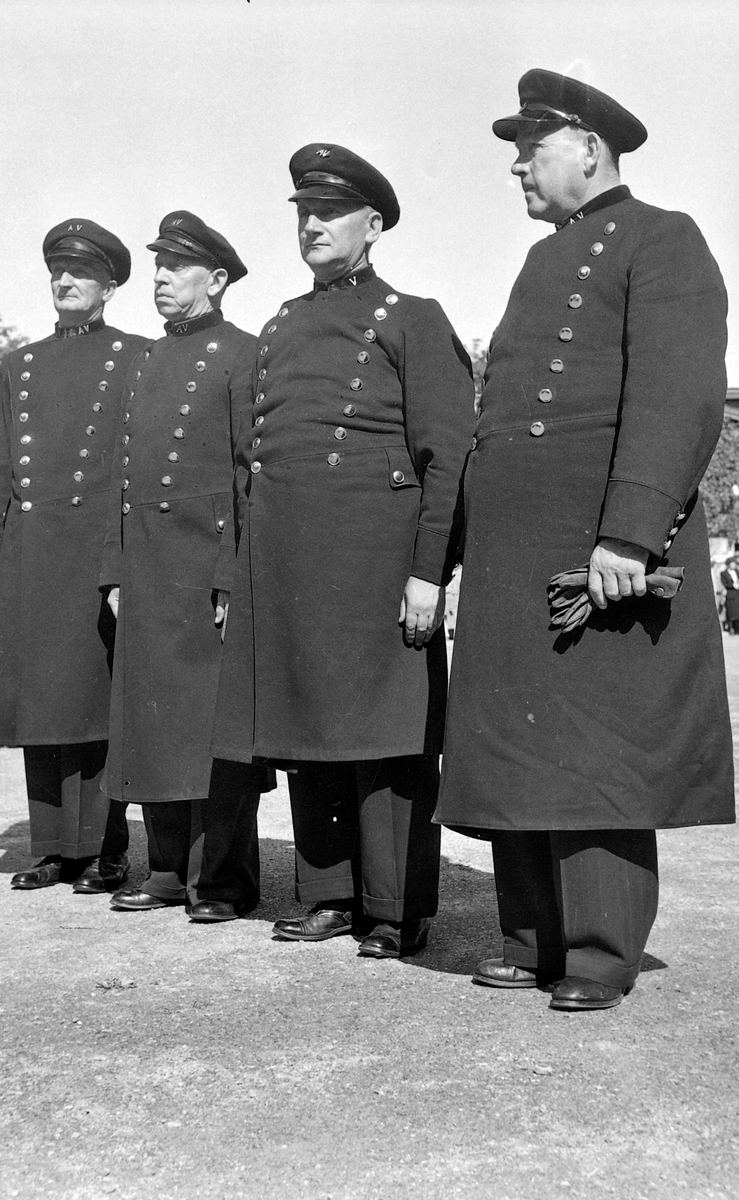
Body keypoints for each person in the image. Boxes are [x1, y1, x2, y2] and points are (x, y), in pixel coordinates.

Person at [434, 69, 734, 1012]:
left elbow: (676, 398)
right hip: (515, 547)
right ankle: (529, 937)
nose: (516, 166)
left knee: (597, 752)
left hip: (592, 544)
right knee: (518, 748)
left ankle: (599, 951)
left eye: (531, 147)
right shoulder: (541, 260)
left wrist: (631, 535)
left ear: (590, 149)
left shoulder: (662, 238)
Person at [210, 143, 476, 959]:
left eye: (329, 213)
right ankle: (328, 893)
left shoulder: (411, 317)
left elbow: (447, 454)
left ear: (374, 225)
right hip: (290, 561)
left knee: (388, 742)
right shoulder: (283, 323)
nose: (313, 225)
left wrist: (429, 571)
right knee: (306, 730)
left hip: (376, 564)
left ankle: (395, 908)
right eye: (302, 213)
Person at [98, 212, 271, 922]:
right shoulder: (143, 360)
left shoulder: (242, 353)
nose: (161, 280)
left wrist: (232, 576)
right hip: (146, 564)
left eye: (177, 268)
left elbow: (247, 475)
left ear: (218, 279)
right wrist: (113, 569)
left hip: (204, 563)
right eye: (158, 267)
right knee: (152, 723)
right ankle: (167, 869)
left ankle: (225, 881)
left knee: (212, 732)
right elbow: (123, 473)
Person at [0, 219, 147, 895]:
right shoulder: (17, 365)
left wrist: (125, 561)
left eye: (80, 274)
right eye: (58, 273)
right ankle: (51, 847)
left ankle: (106, 848)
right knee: (40, 706)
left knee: (94, 702)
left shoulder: (135, 357)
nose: (66, 282)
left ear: (108, 286)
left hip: (95, 551)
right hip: (31, 554)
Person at [719, 557, 739, 634]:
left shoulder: (737, 572)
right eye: (732, 563)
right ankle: (731, 628)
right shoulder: (724, 573)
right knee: (731, 611)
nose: (734, 565)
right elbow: (724, 583)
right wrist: (732, 585)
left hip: (738, 593)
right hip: (730, 593)